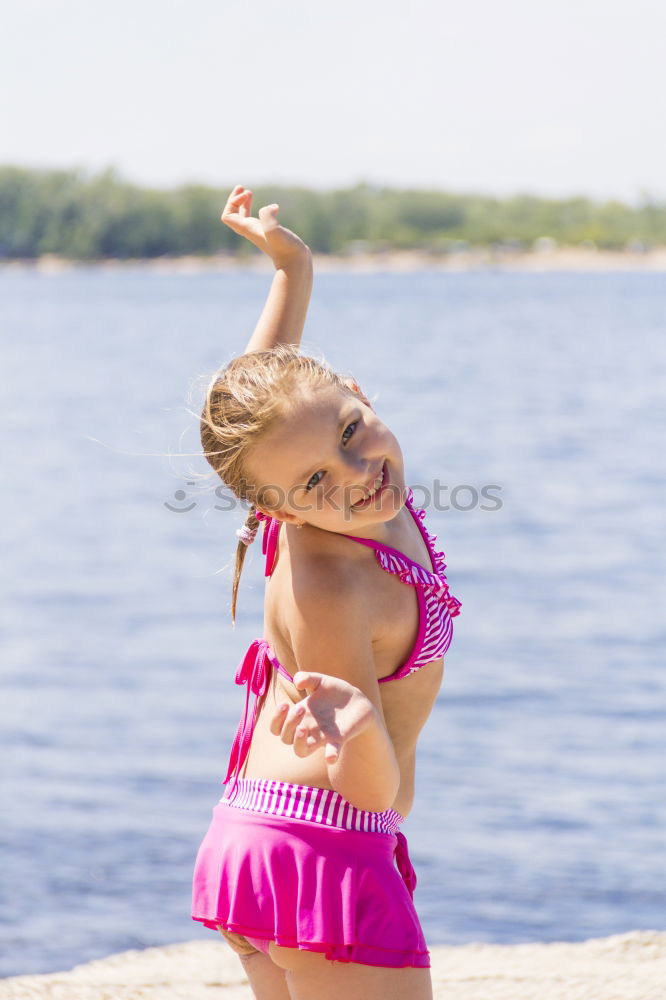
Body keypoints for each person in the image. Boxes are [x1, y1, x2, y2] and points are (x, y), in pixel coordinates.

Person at [191, 184, 462, 1000]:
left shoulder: (311, 476)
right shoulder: (337, 583)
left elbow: (266, 394)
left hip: (262, 836)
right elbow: (368, 787)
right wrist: (353, 724)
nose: (357, 474)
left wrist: (292, 270)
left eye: (351, 432)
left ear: (357, 390)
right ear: (273, 506)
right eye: (317, 479)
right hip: (324, 842)